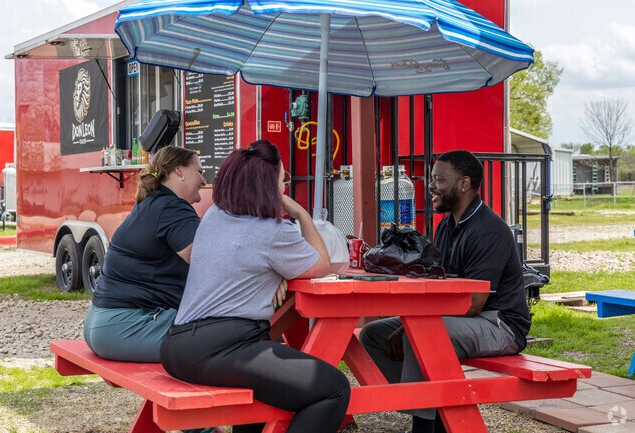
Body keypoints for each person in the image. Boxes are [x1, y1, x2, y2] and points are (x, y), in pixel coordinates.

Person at [160, 139, 351, 433]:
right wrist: (300, 213)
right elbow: (322, 263)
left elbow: (242, 264)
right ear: (270, 185)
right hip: (224, 346)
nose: (285, 186)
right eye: (283, 179)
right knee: (334, 388)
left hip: (177, 345)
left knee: (263, 384)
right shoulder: (273, 231)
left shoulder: (214, 216)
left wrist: (275, 275)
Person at [360, 150, 531, 433]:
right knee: (373, 335)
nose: (430, 187)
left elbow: (474, 303)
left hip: (499, 323)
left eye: (439, 180)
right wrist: (409, 321)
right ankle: (438, 411)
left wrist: (414, 326)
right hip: (464, 319)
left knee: (423, 336)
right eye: (431, 179)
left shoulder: (489, 230)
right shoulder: (447, 226)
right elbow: (440, 288)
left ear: (464, 184)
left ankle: (424, 426)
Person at [83, 145, 206, 363]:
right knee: (228, 337)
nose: (204, 181)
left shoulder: (152, 203)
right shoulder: (172, 208)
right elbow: (209, 264)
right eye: (199, 171)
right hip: (127, 327)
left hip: (100, 325)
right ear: (179, 171)